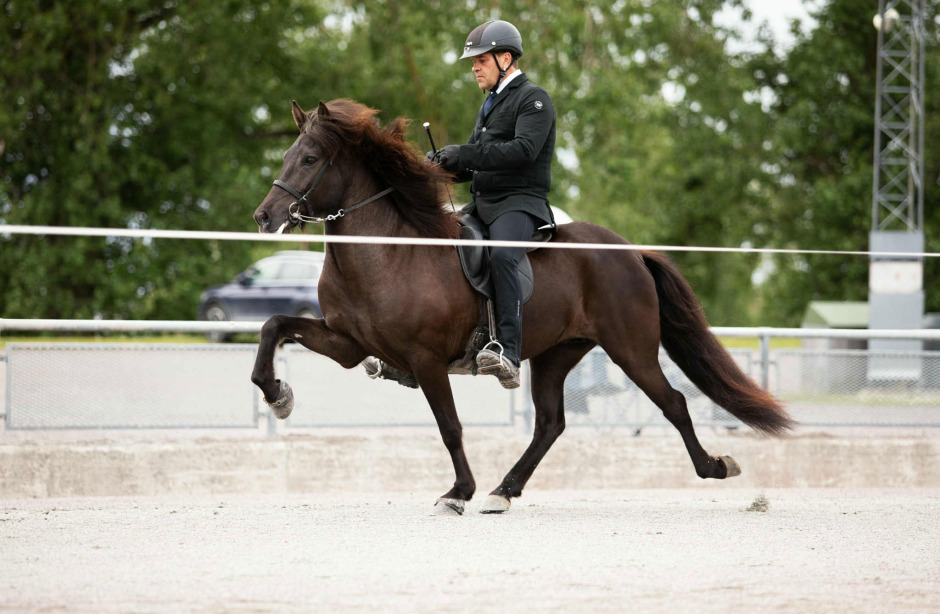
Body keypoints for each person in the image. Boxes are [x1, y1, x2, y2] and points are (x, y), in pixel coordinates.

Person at [428, 20, 556, 389]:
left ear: (505, 58)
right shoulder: (490, 104)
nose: (474, 67)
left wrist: (465, 152)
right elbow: (476, 162)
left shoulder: (534, 99)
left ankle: (509, 352)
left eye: (480, 60)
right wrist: (442, 165)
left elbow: (523, 151)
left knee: (501, 254)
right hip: (484, 204)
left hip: (520, 203)